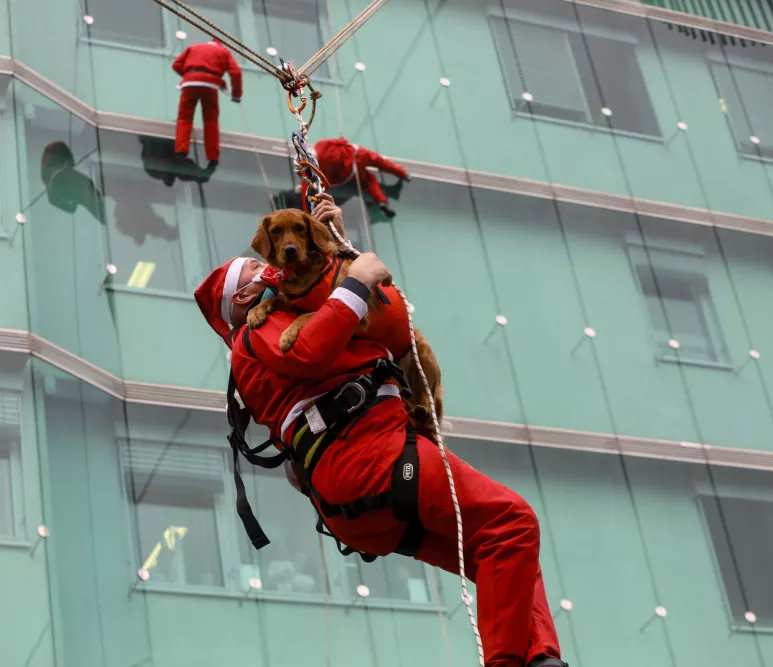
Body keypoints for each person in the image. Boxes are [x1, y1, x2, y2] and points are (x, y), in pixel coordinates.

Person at [193, 199, 566, 667]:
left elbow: (389, 320)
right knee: (512, 522)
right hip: (371, 456)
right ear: (242, 300)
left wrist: (335, 250)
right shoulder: (255, 334)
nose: (273, 264)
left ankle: (540, 657)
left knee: (499, 554)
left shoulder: (301, 309)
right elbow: (312, 348)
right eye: (258, 266)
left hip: (358, 493)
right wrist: (353, 277)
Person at [172, 38, 243, 163]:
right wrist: (236, 95)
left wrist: (190, 76)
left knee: (184, 117)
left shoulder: (194, 47)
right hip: (211, 85)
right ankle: (212, 156)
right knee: (211, 120)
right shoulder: (224, 52)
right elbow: (236, 72)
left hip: (190, 83)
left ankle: (181, 150)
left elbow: (176, 64)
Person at [314, 137, 409, 218]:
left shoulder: (316, 169)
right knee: (378, 161)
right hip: (355, 155)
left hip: (348, 173)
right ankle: (403, 173)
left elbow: (327, 181)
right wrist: (343, 141)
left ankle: (381, 201)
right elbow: (341, 141)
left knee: (369, 180)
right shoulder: (320, 145)